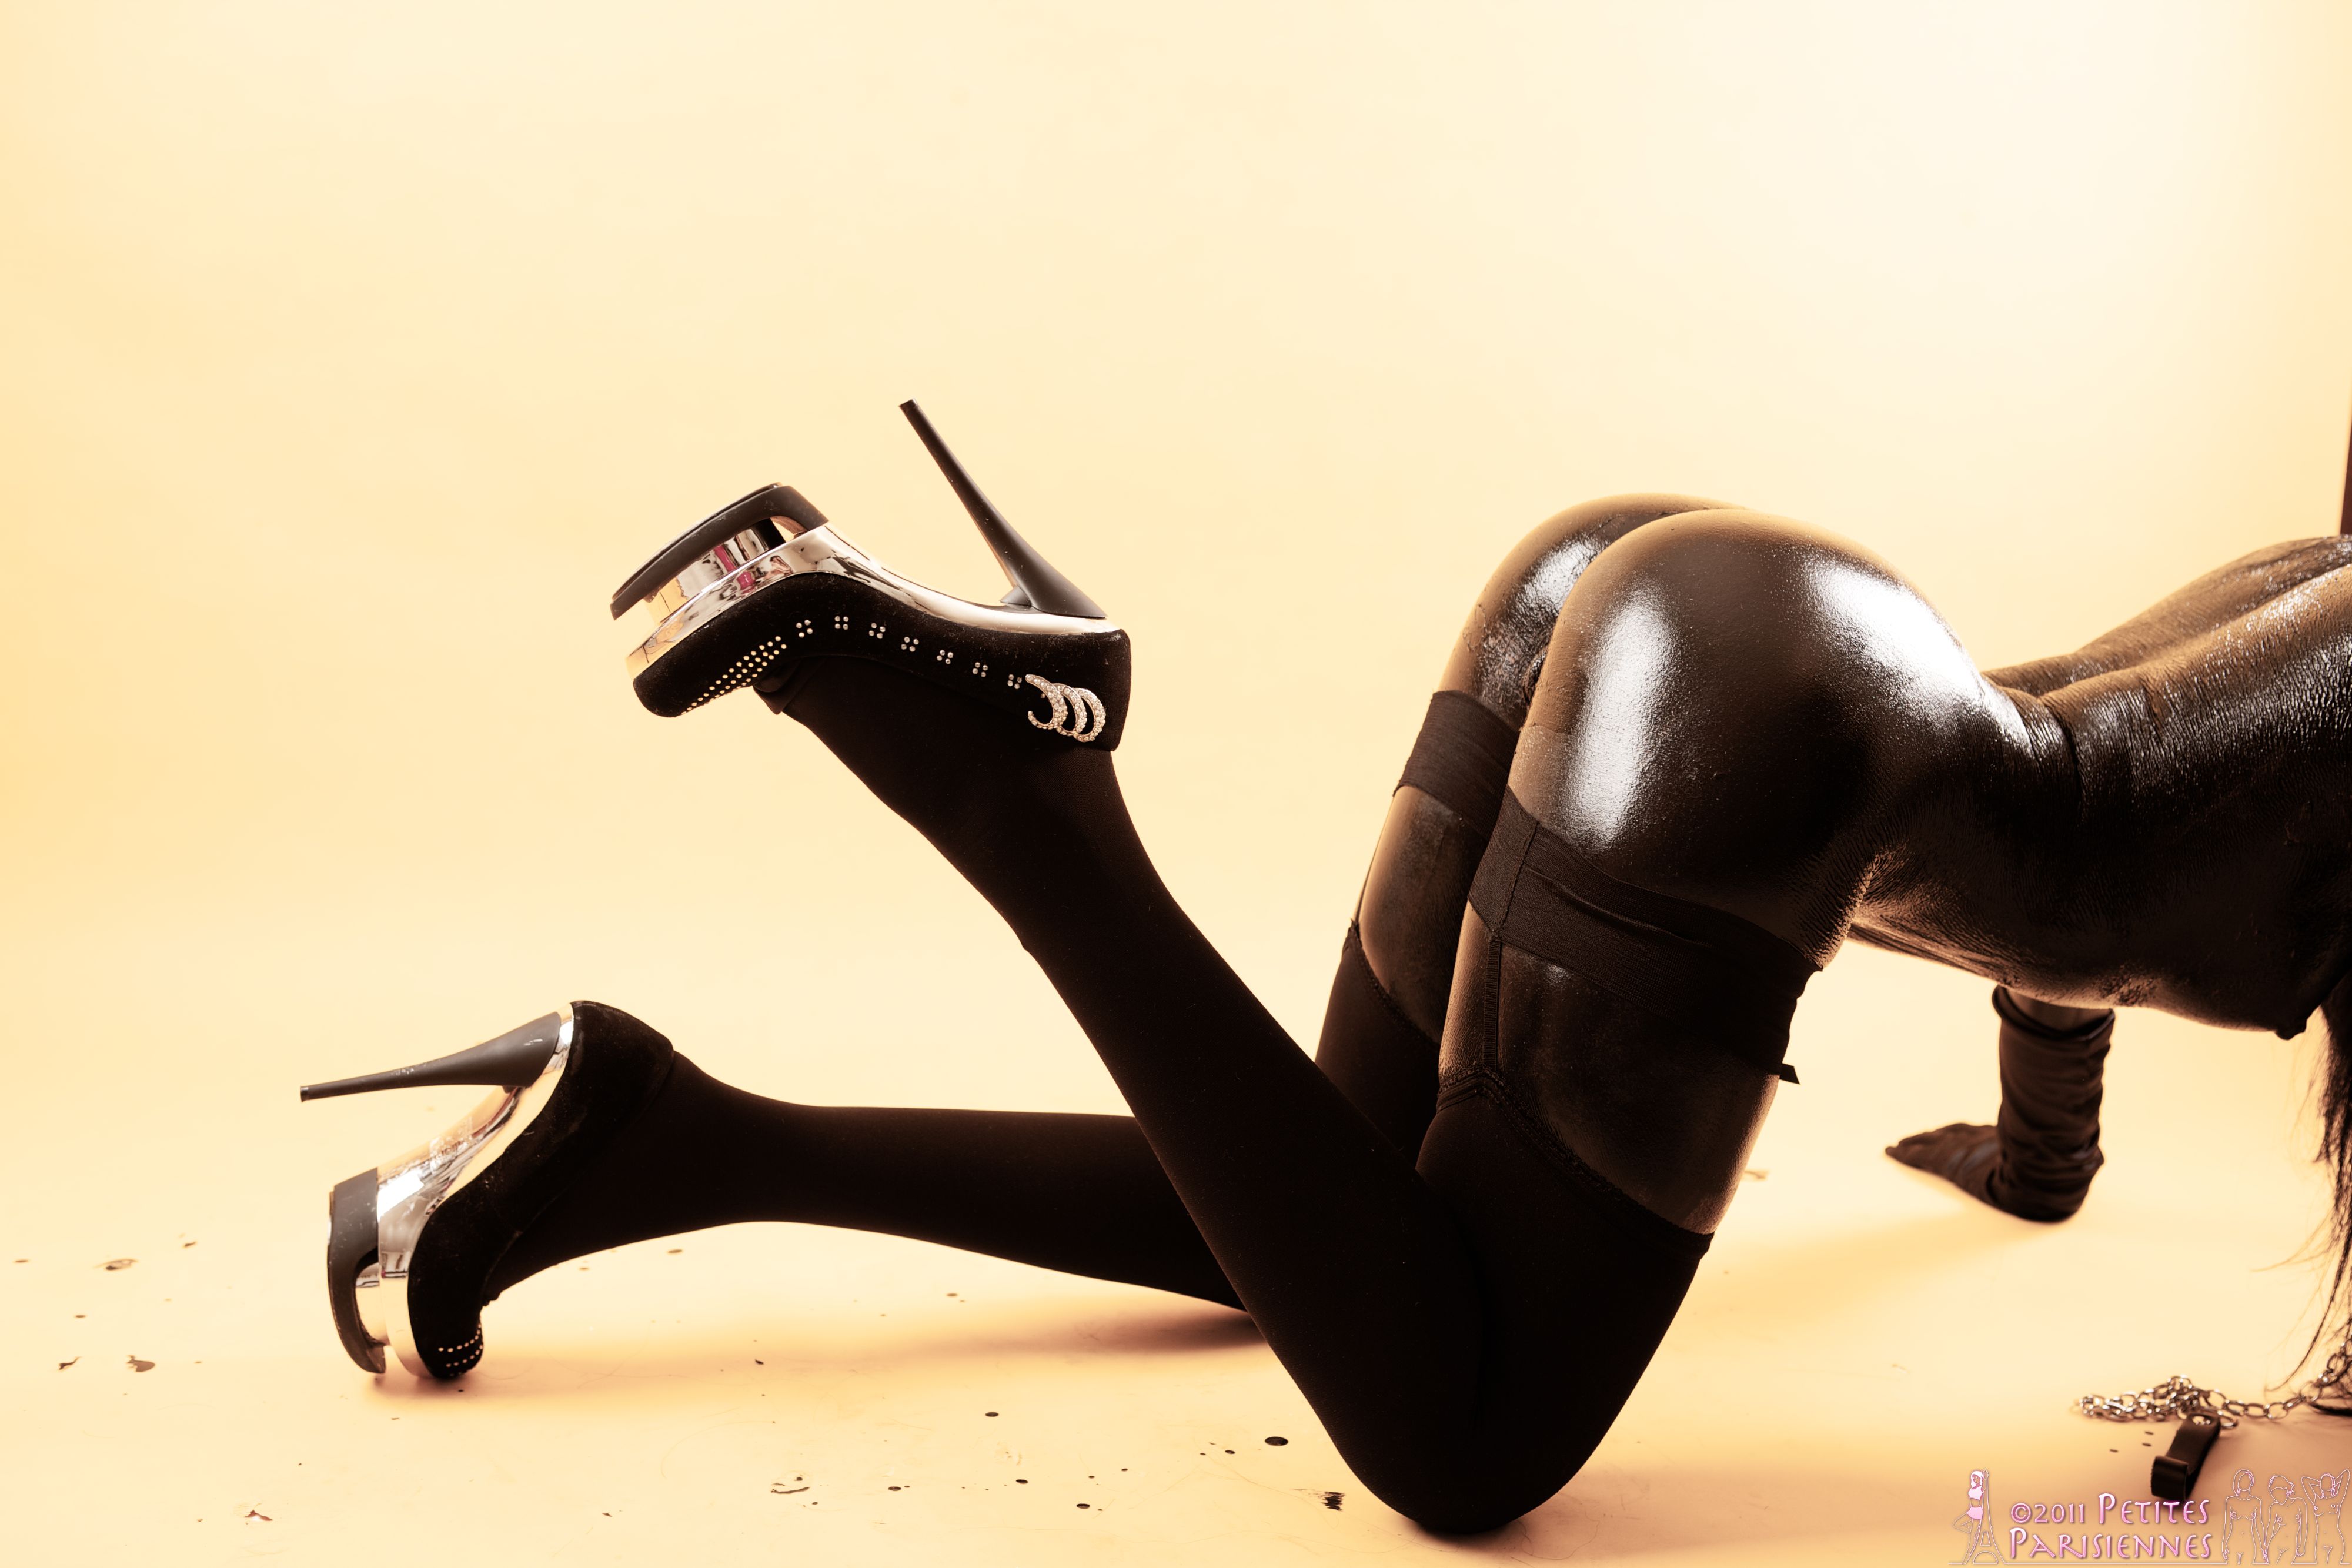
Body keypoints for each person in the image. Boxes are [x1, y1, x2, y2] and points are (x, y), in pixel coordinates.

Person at [303, 413, 2352, 1533]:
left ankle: (656, 1132)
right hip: (1752, 720)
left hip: (1645, 599)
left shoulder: (2313, 607)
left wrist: (2040, 1159)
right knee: (1458, 1432)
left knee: (1325, 1215)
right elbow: (2108, 904)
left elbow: (2087, 905)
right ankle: (1023, 801)